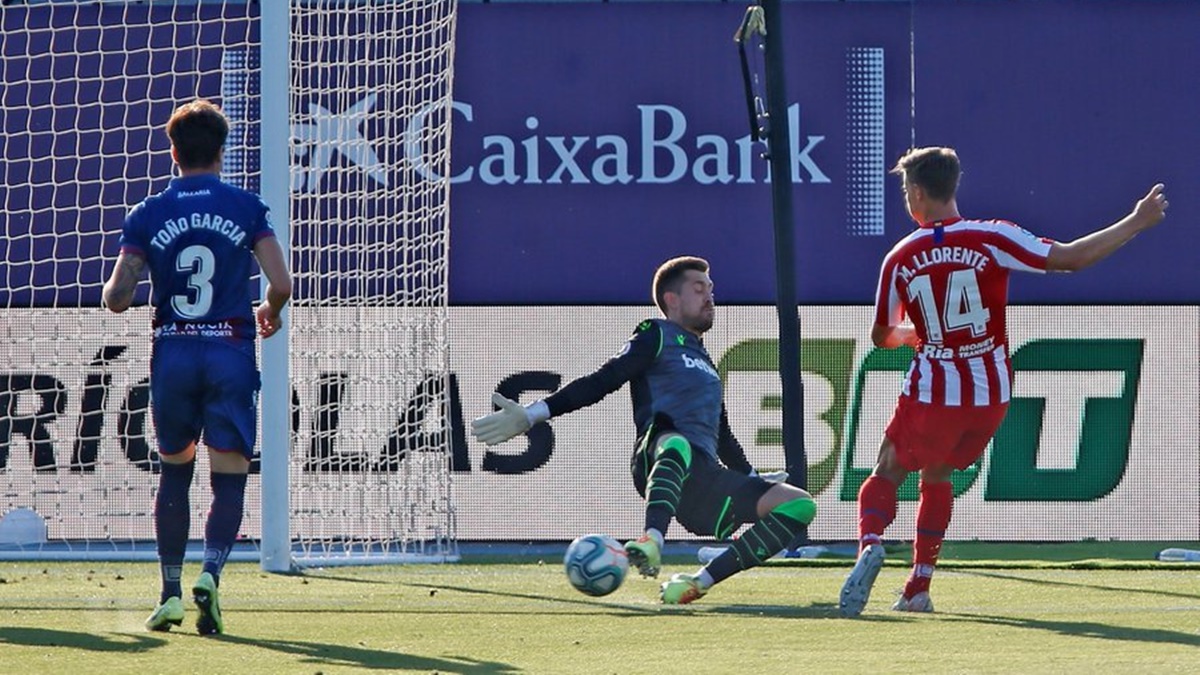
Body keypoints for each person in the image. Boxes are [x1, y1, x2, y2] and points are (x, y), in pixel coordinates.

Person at [840, 146, 1169, 617]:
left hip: (934, 391)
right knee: (938, 474)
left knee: (888, 468)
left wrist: (916, 334)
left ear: (915, 193)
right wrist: (1136, 221)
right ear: (952, 187)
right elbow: (1070, 259)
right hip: (990, 395)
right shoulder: (991, 236)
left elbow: (881, 335)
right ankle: (918, 586)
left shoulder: (900, 257)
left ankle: (870, 543)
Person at [471, 255, 816, 604]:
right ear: (672, 299)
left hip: (703, 480)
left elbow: (721, 433)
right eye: (699, 289)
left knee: (799, 506)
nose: (710, 296)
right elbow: (603, 380)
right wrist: (531, 416)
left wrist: (754, 476)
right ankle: (652, 540)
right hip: (658, 457)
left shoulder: (705, 361)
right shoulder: (656, 334)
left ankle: (698, 582)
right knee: (677, 443)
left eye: (711, 289)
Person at [103, 99, 292, 635]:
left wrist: (131, 278)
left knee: (174, 474)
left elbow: (117, 297)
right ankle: (210, 574)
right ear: (222, 152)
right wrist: (268, 312)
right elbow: (281, 284)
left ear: (173, 150)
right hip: (229, 351)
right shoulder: (246, 207)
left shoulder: (147, 213)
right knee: (228, 478)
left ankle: (167, 593)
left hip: (175, 354)